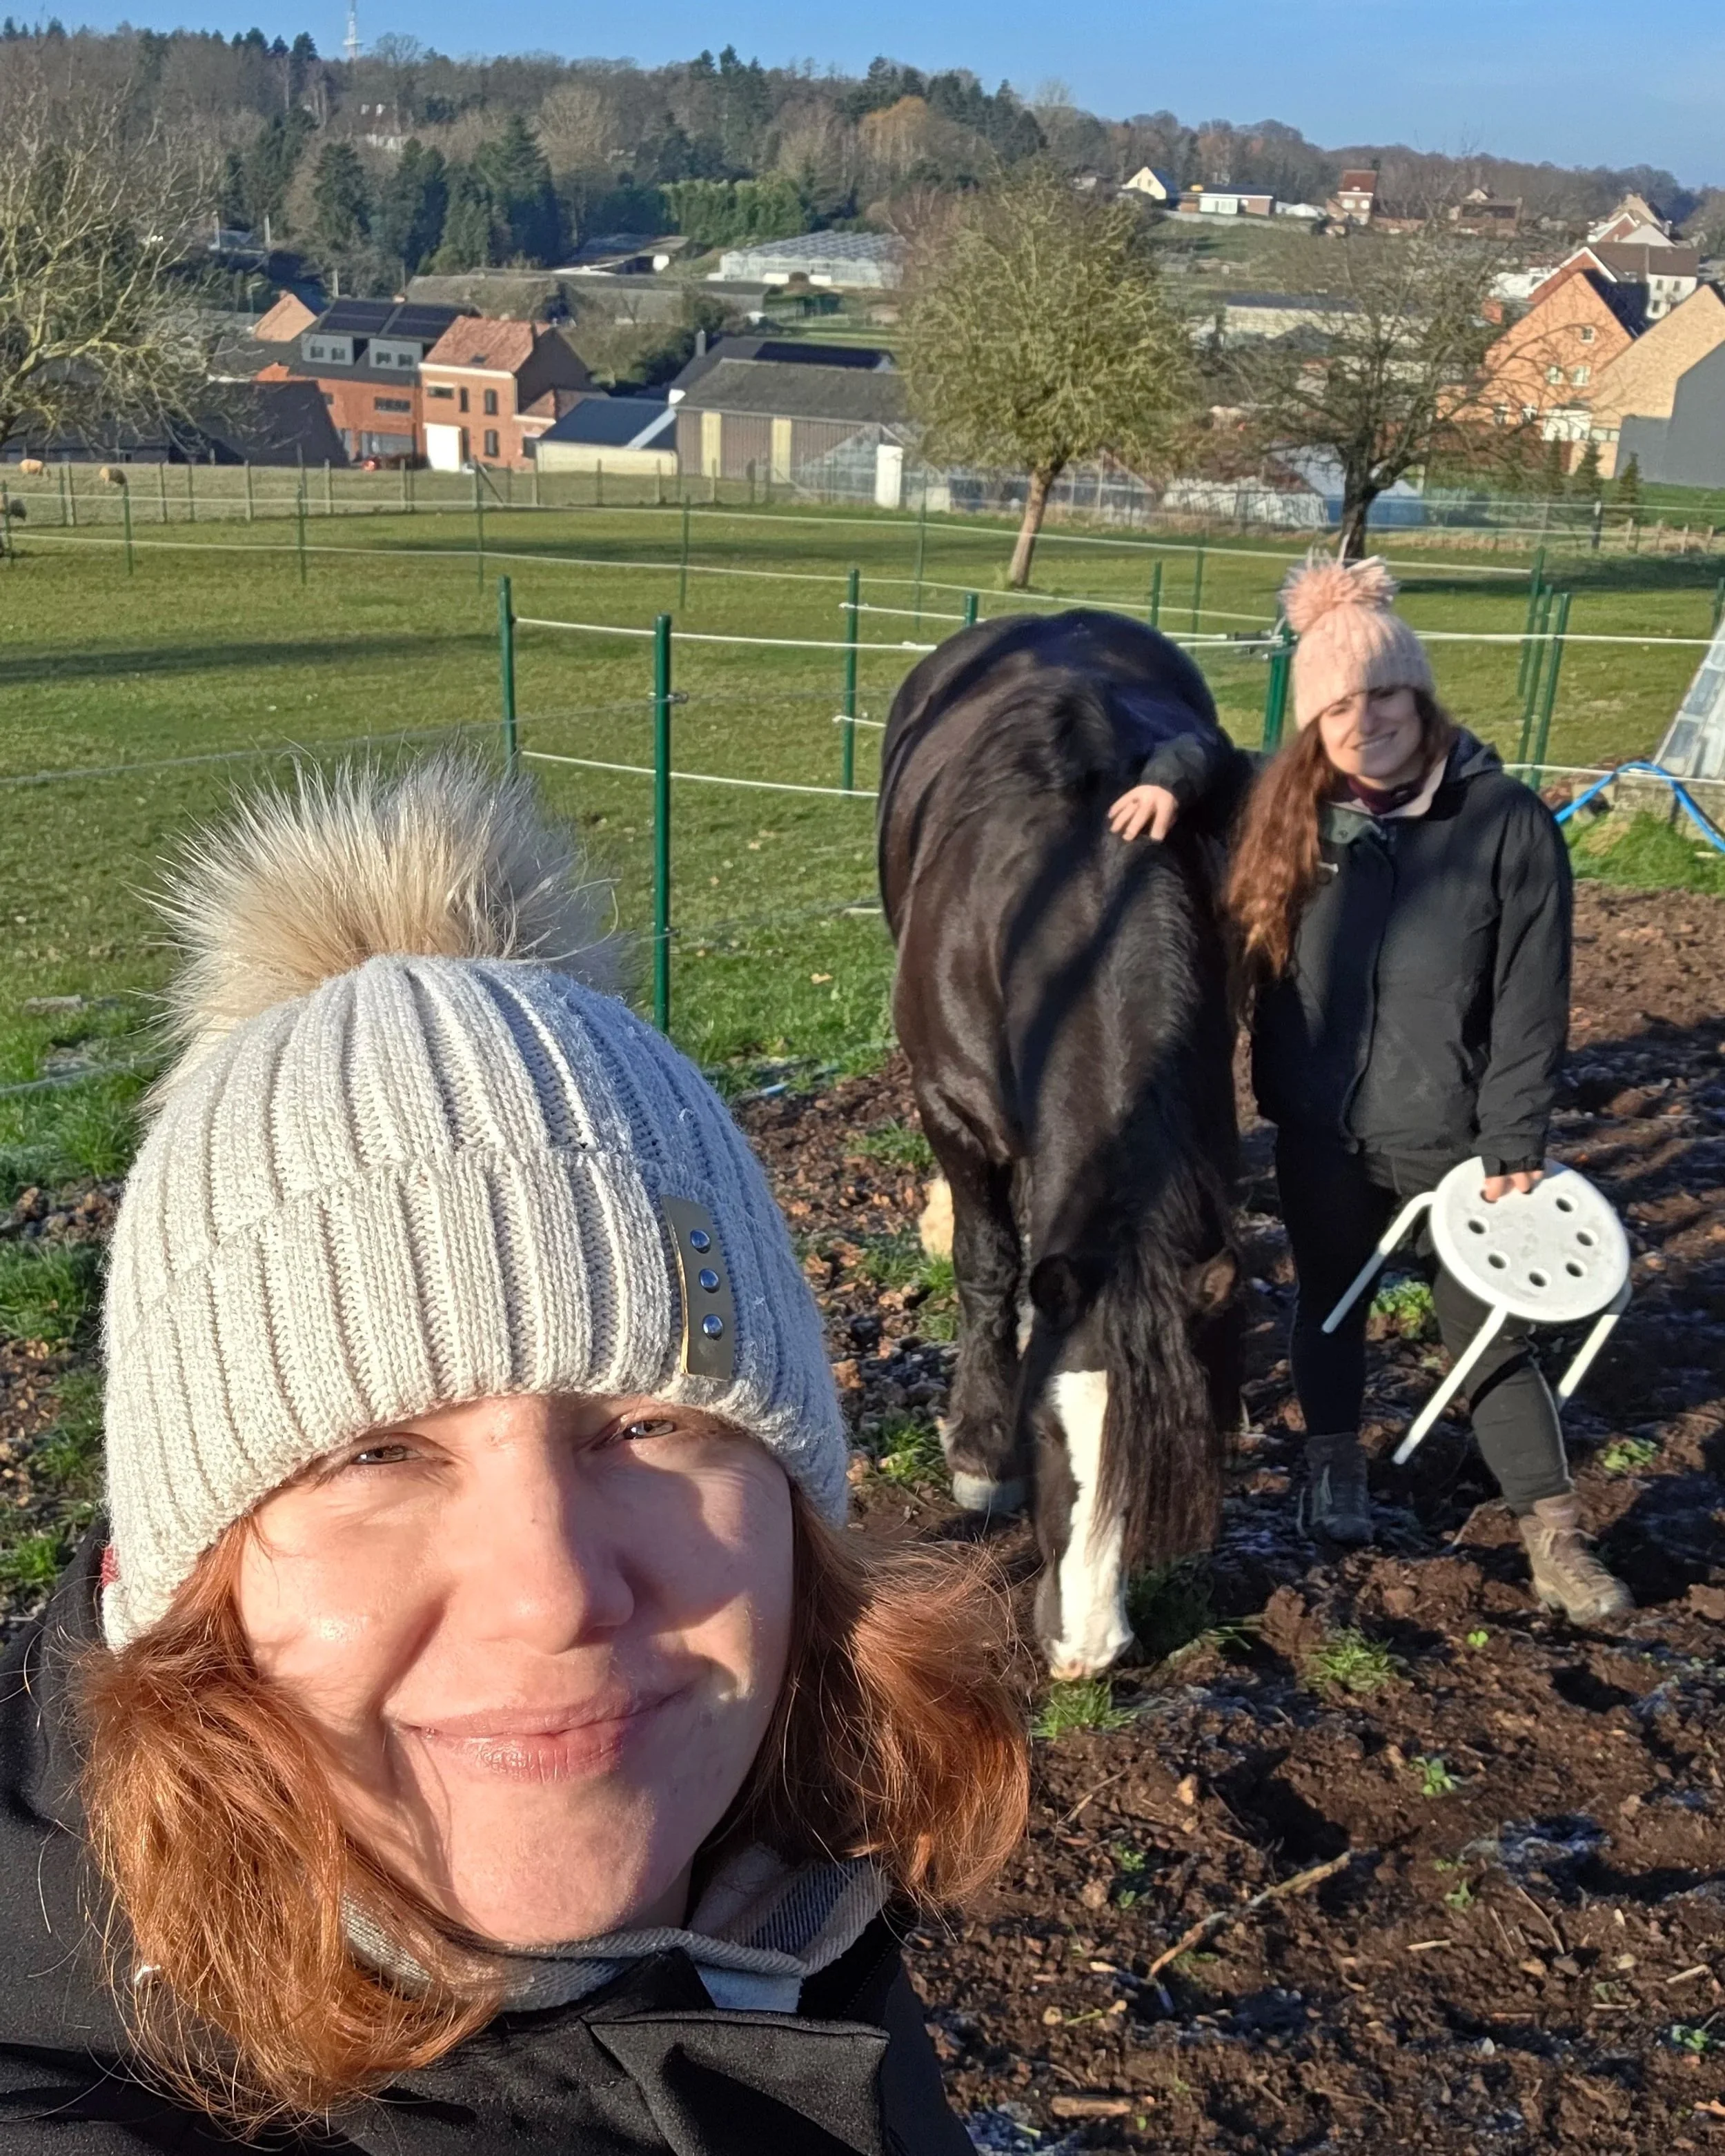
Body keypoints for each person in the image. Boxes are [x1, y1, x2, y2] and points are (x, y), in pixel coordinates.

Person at [0, 758, 1029, 2152]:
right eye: (376, 1452)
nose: (551, 1589)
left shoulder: (783, 1881)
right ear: (185, 1572)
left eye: (653, 1421)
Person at [1220, 553, 1630, 1621]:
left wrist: (1514, 1145)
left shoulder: (1505, 828)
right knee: (1332, 1302)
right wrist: (1168, 777)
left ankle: (1554, 1531)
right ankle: (1332, 1466)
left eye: (1385, 695)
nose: (1367, 723)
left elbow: (1535, 1003)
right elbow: (1195, 760)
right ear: (1314, 723)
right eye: (1339, 707)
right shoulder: (1287, 822)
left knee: (1491, 1333)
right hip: (1321, 1134)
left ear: (1421, 693)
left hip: (1461, 1145)